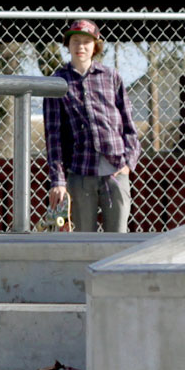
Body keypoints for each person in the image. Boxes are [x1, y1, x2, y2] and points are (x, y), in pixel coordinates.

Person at [43, 20, 140, 233]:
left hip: (116, 171)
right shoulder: (57, 82)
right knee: (81, 239)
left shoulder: (111, 76)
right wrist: (58, 180)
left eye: (87, 42)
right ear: (67, 45)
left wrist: (128, 163)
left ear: (95, 46)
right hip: (80, 171)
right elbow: (53, 136)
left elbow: (128, 124)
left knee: (117, 238)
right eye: (75, 41)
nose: (81, 47)